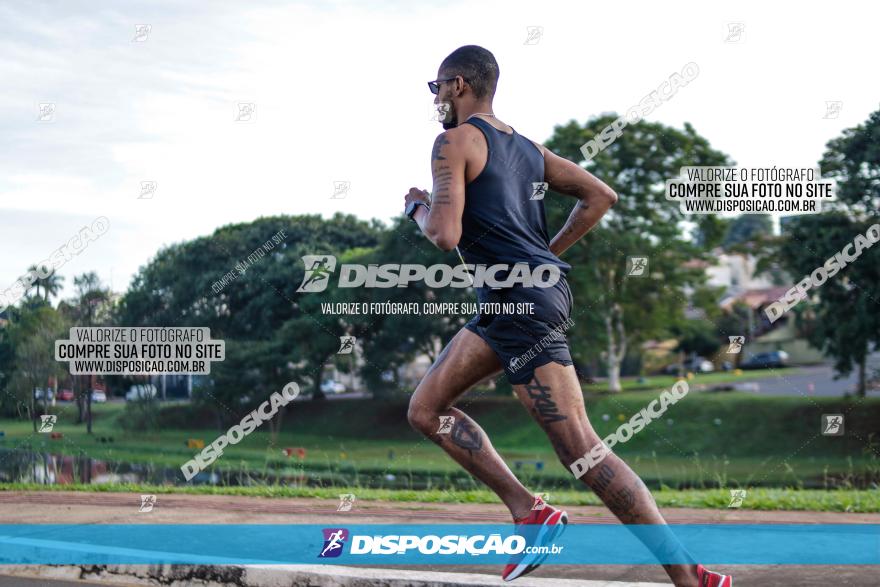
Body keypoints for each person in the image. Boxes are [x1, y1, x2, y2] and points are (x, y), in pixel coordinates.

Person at [403, 45, 732, 587]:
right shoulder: (529, 149)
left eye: (437, 86)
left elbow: (444, 235)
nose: (435, 96)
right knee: (426, 409)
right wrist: (548, 257)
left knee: (581, 448)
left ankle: (687, 575)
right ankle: (530, 512)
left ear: (459, 85)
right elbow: (599, 195)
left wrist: (417, 206)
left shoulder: (452, 142)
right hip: (514, 299)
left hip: (520, 304)